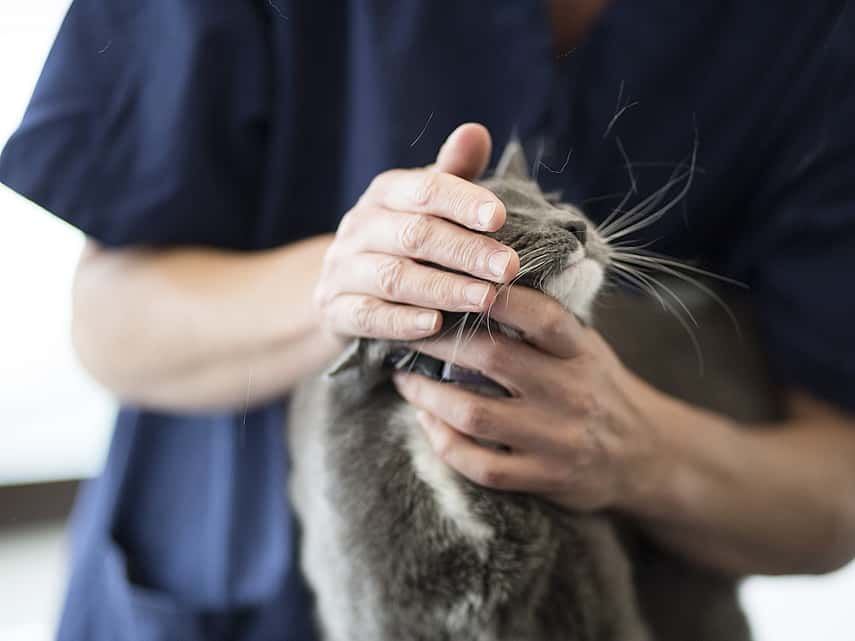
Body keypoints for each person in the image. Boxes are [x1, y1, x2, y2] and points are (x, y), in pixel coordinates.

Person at [2, 1, 855, 639]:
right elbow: (108, 317)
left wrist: (635, 450)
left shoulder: (807, 33)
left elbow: (833, 497)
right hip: (225, 594)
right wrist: (348, 287)